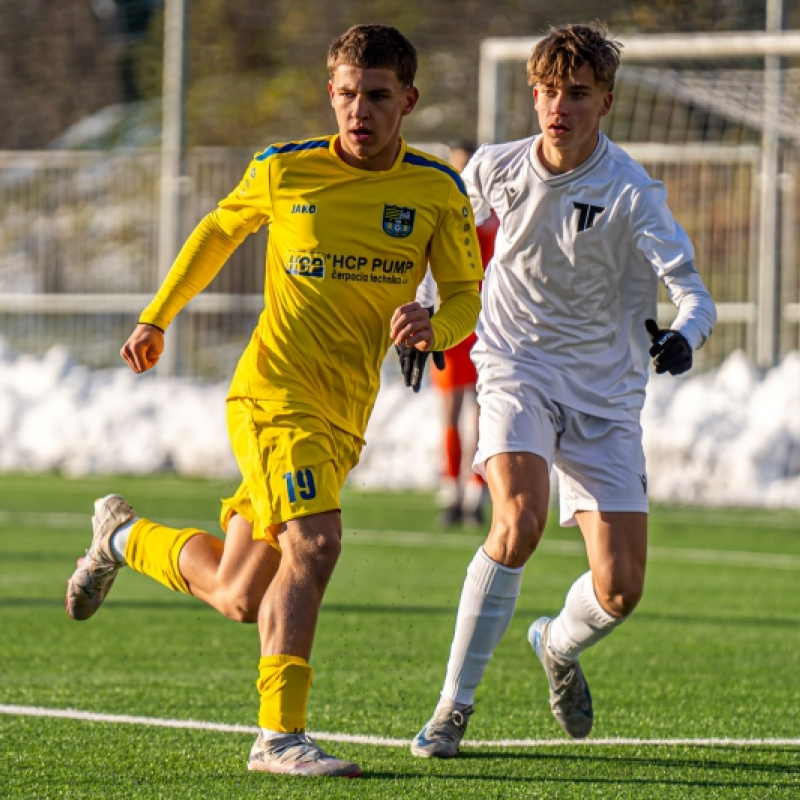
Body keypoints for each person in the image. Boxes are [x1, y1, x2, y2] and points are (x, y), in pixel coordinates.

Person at [64, 23, 482, 778]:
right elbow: (218, 232)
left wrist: (433, 326)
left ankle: (121, 538)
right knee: (315, 545)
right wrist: (157, 314)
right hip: (271, 395)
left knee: (236, 591)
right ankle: (279, 736)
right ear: (331, 93)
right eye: (348, 95)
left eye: (378, 96)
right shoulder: (284, 169)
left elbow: (464, 297)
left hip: (343, 413)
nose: (359, 111)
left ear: (409, 100)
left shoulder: (436, 191)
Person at [411, 22, 717, 758]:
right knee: (517, 521)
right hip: (515, 368)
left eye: (577, 93)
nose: (559, 107)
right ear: (534, 93)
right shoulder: (493, 168)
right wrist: (426, 310)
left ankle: (555, 644)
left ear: (605, 101)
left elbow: (695, 296)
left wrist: (684, 338)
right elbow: (443, 242)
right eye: (549, 91)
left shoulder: (634, 194)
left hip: (606, 398)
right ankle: (452, 708)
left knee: (620, 589)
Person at [431, 143, 498, 527]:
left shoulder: (492, 216)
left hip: (486, 325)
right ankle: (450, 494)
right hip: (451, 322)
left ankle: (476, 496)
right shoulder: (443, 212)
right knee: (451, 413)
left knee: (482, 415)